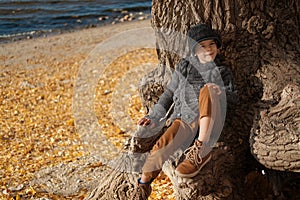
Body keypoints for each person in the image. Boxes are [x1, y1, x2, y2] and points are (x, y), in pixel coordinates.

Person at [130, 23, 238, 200]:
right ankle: (141, 187)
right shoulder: (185, 67)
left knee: (209, 90)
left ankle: (202, 149)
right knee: (160, 148)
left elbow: (235, 98)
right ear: (194, 50)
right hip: (184, 120)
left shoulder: (222, 71)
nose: (209, 49)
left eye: (212, 44)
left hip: (210, 124)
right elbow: (169, 94)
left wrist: (222, 93)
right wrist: (153, 116)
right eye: (202, 46)